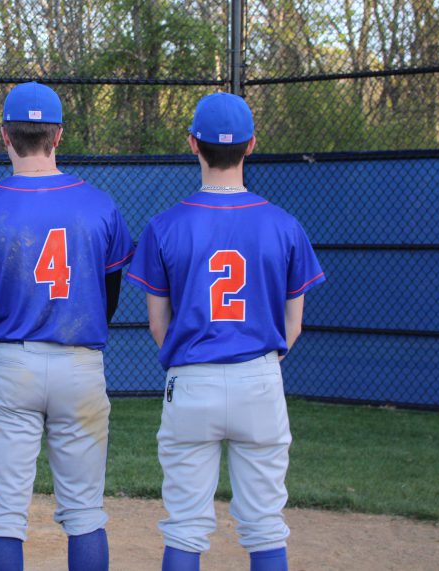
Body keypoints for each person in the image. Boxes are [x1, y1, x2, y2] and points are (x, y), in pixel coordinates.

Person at [126, 93, 326, 571]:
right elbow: (292, 326)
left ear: (192, 144)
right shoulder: (283, 224)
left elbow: (159, 324)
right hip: (259, 376)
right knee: (264, 527)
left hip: (191, 379)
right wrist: (256, 366)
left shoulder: (165, 225)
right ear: (251, 145)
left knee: (185, 527)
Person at [0, 82, 135, 571]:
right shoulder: (99, 204)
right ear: (58, 136)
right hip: (81, 361)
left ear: (4, 136)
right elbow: (109, 292)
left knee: (4, 516)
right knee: (84, 512)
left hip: (12, 360)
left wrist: (6, 347)